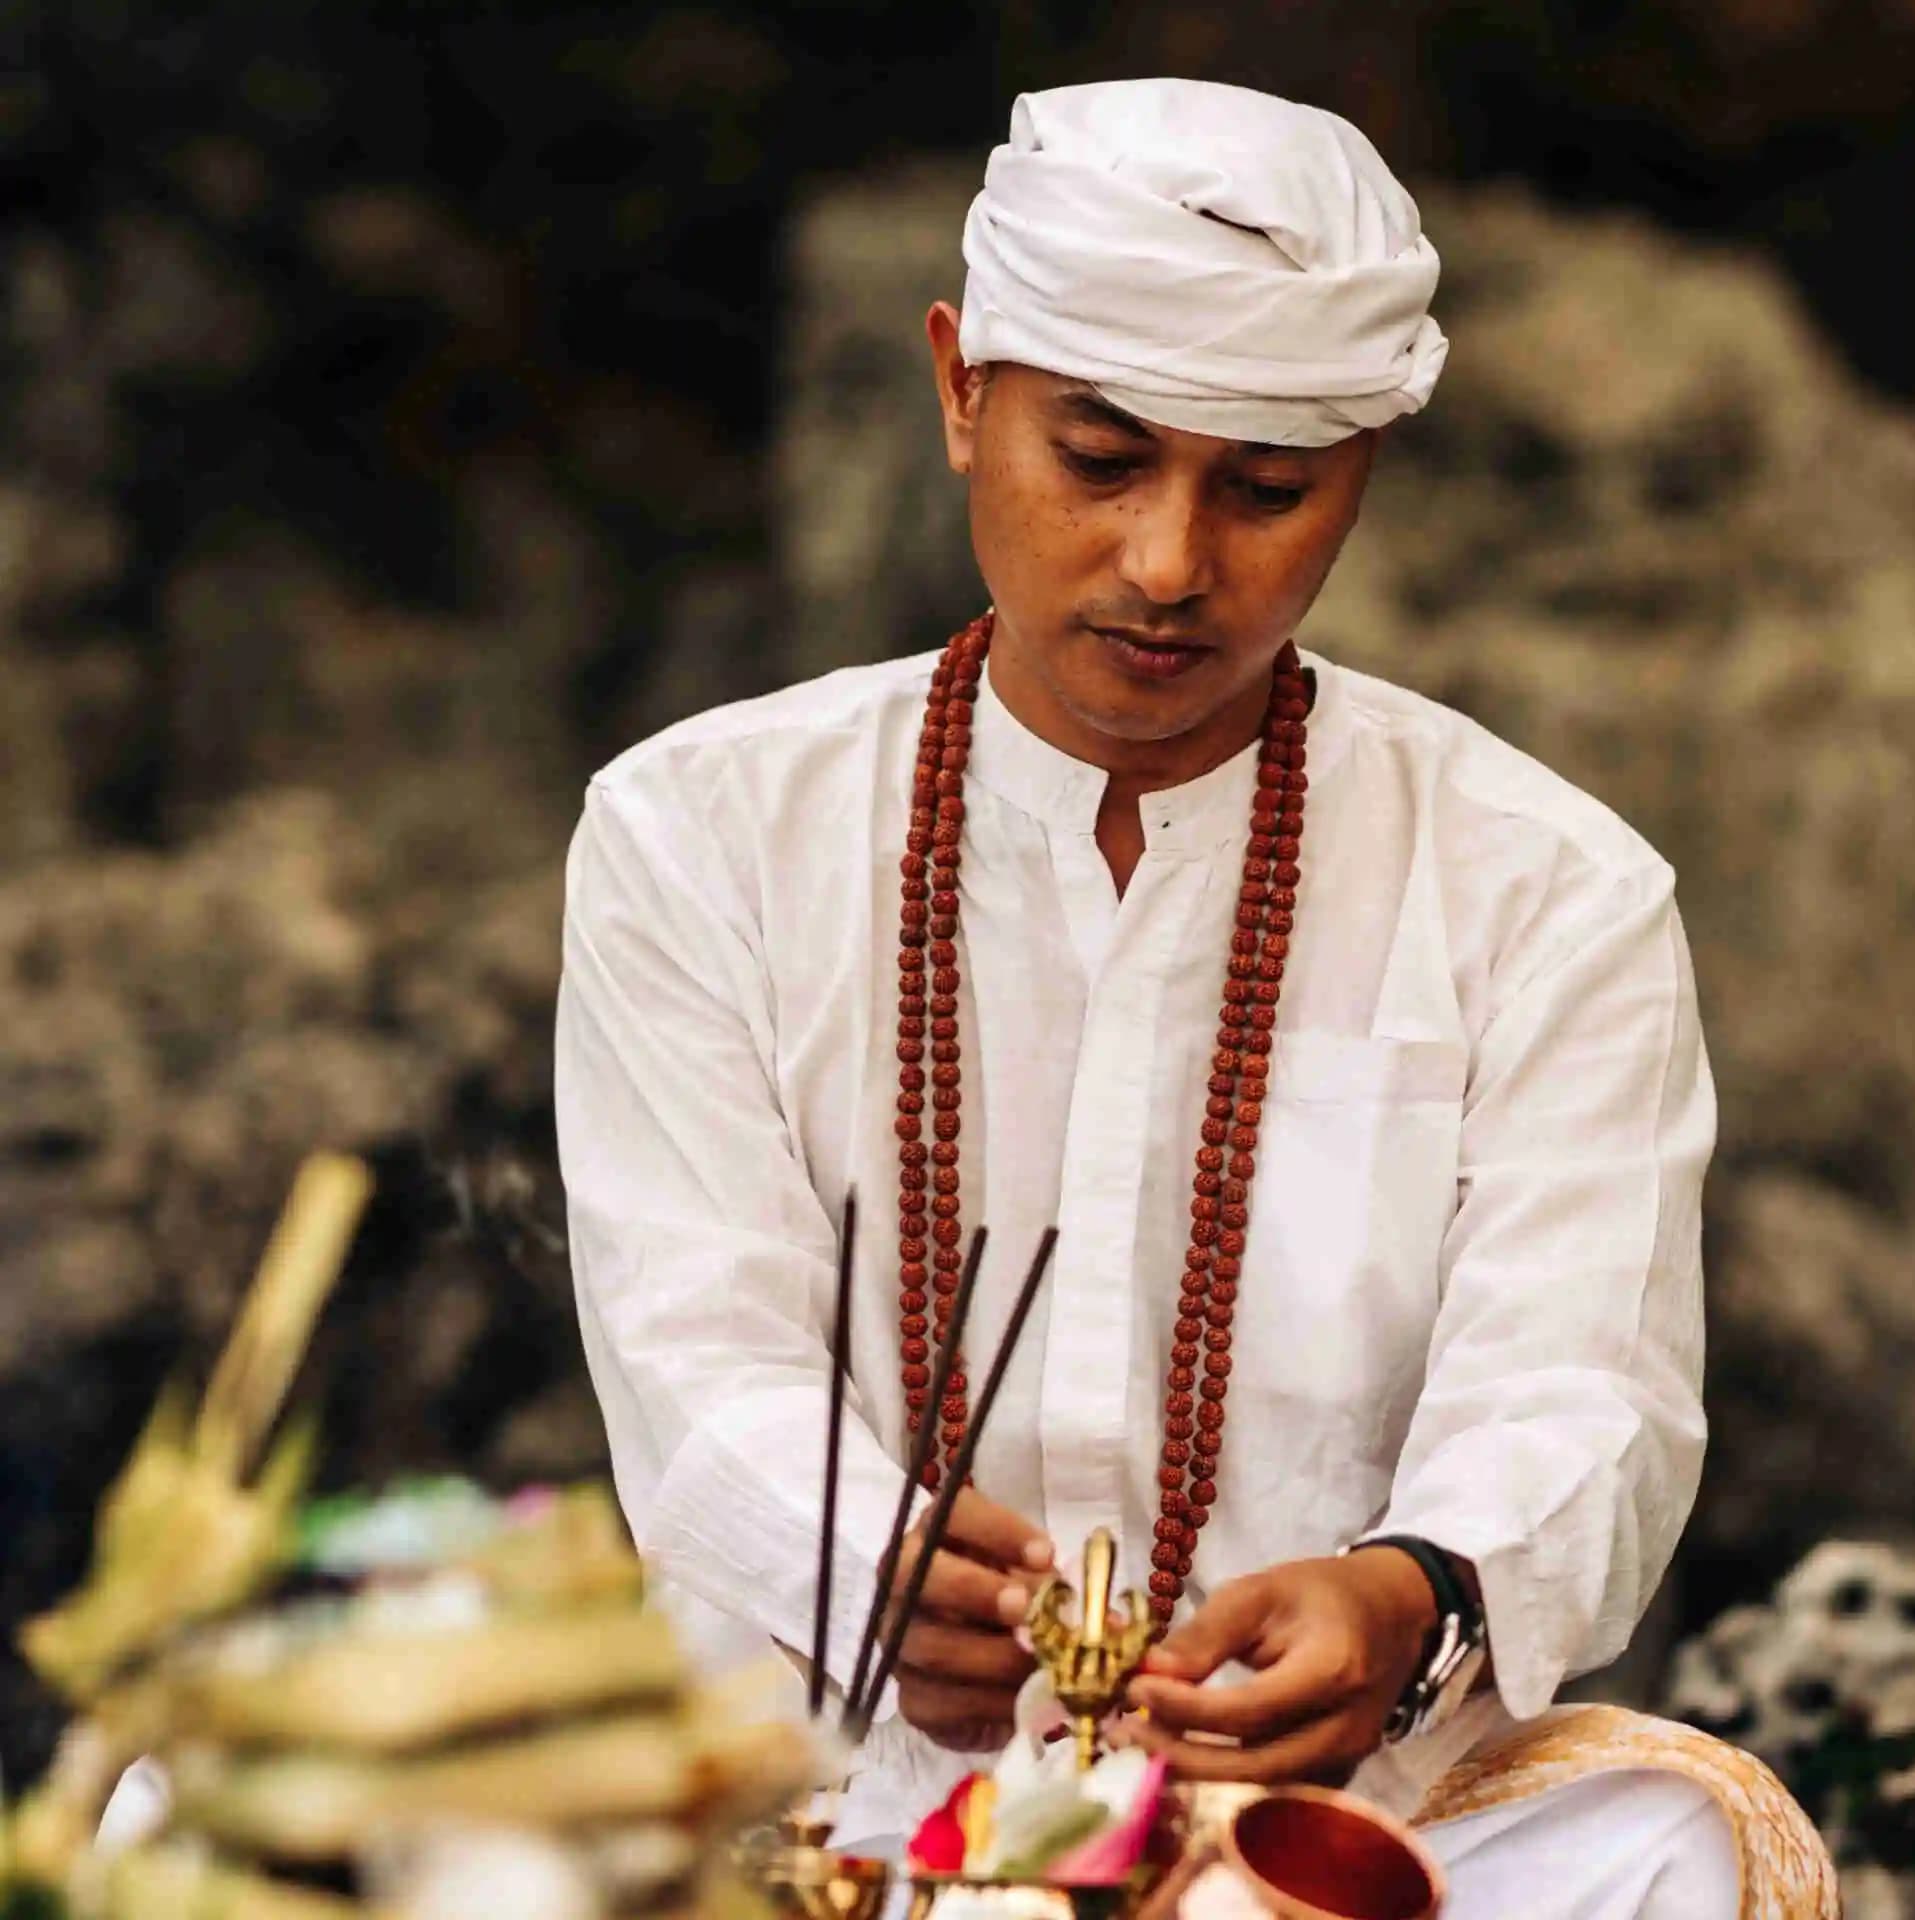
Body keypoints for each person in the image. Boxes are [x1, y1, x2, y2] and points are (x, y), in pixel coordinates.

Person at [559, 78, 1832, 1920]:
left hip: (1303, 1841)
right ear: (959, 392)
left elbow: (1586, 1392)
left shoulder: (1553, 893)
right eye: (1101, 460)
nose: (1169, 564)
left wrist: (1408, 1599)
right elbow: (694, 1353)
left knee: (1673, 1846)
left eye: (1266, 490)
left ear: (1363, 471)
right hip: (821, 1811)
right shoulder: (699, 835)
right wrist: (862, 1563)